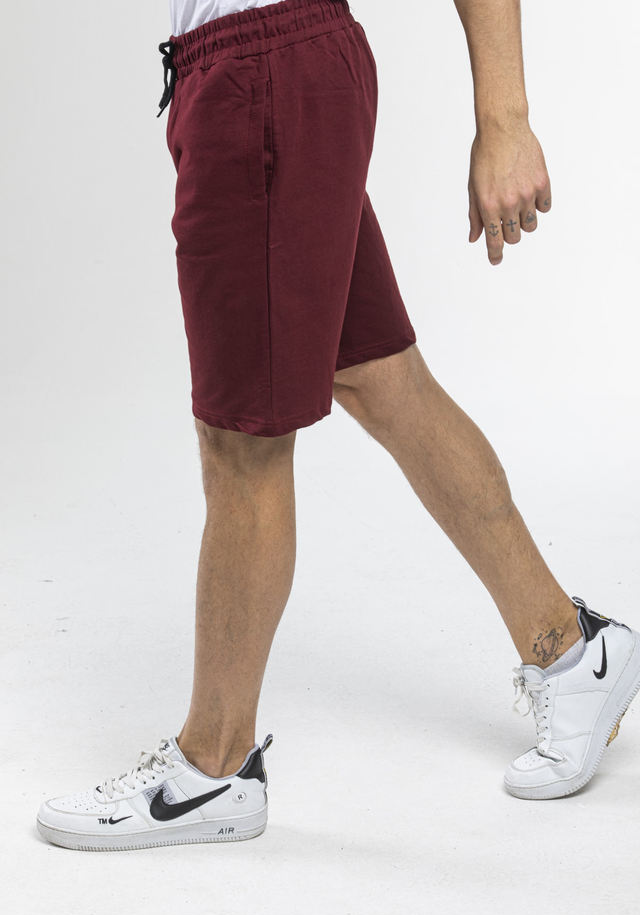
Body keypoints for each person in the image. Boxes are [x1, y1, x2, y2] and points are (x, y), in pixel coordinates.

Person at [37, 0, 640, 851]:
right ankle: (572, 654)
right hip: (264, 72)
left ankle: (212, 770)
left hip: (265, 77)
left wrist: (505, 119)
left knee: (242, 441)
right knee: (380, 376)